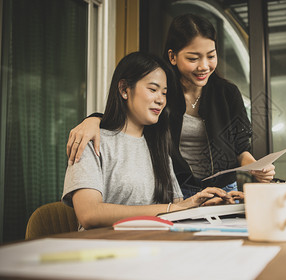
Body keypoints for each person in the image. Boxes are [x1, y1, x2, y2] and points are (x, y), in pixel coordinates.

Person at [66, 14, 275, 198]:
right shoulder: (163, 93)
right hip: (177, 189)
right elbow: (129, 113)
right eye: (193, 58)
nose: (204, 66)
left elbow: (240, 149)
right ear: (172, 57)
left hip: (223, 189)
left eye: (211, 56)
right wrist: (93, 119)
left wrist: (256, 167)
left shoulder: (227, 94)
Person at [62, 52, 233, 230]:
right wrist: (170, 209)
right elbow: (90, 214)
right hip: (104, 250)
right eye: (153, 89)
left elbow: (178, 208)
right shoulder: (91, 140)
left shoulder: (158, 148)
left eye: (164, 93)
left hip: (154, 247)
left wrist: (210, 206)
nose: (160, 100)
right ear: (124, 89)